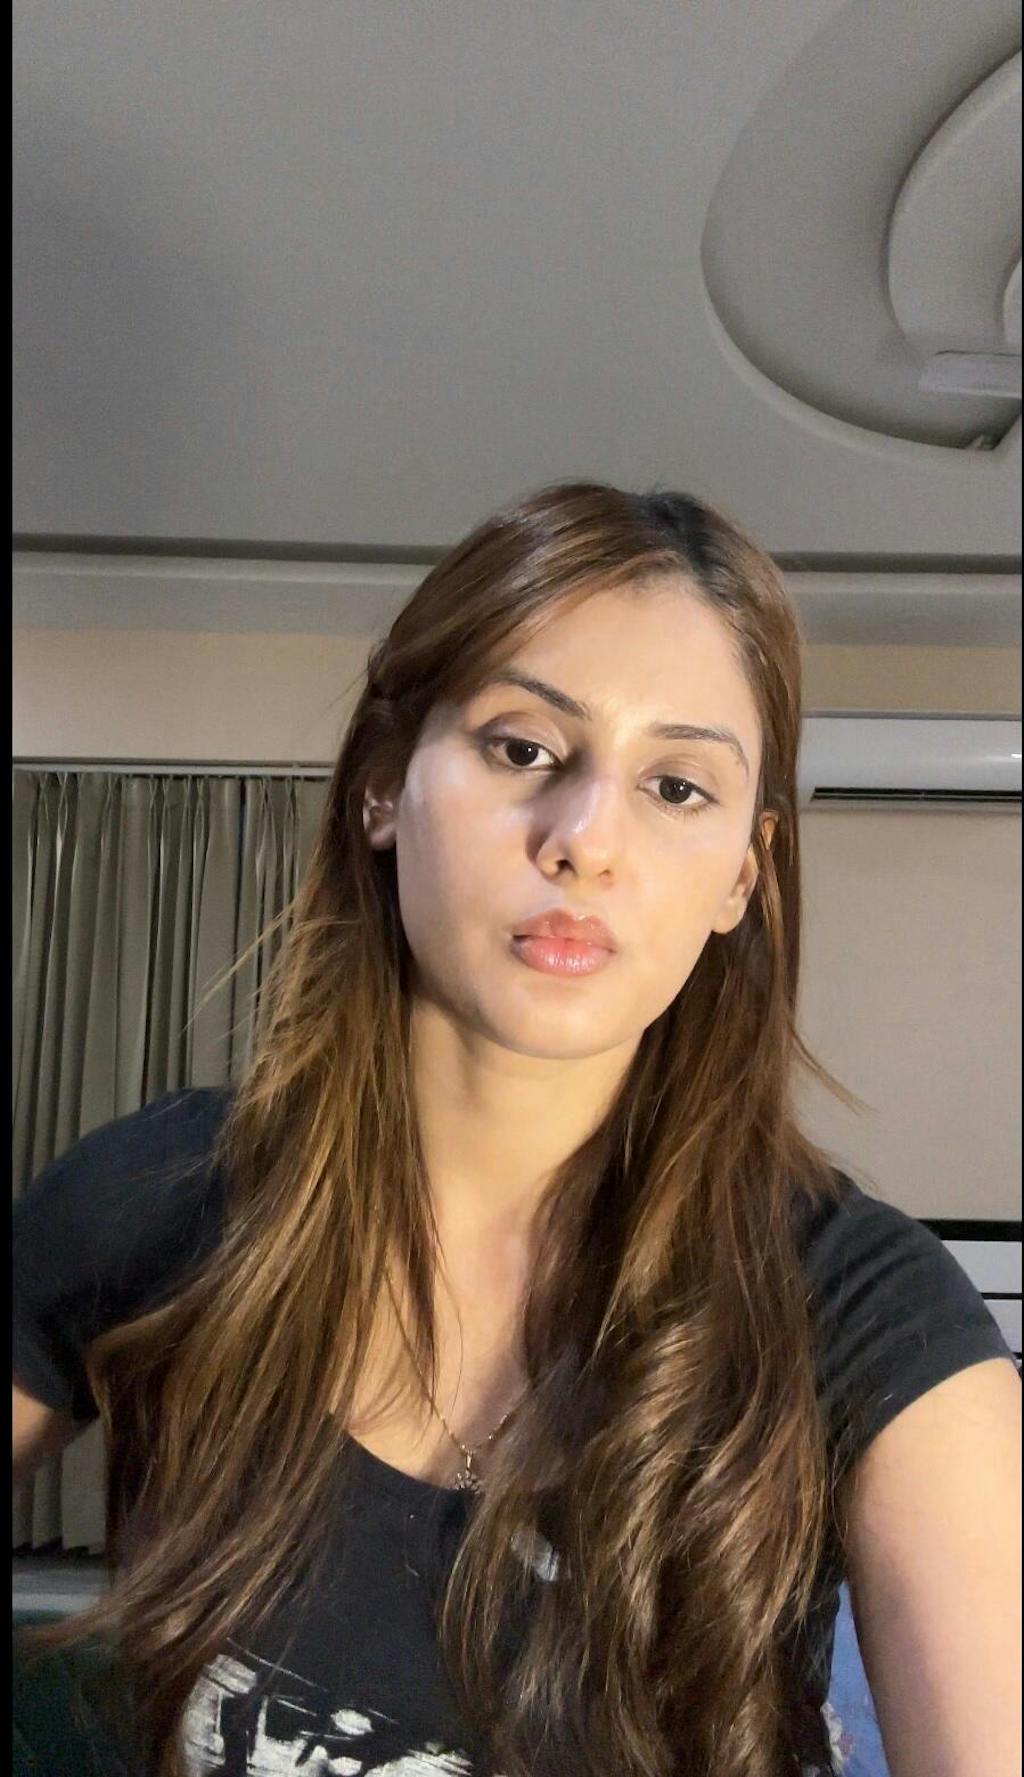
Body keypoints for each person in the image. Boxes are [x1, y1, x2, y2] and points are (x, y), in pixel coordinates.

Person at [13, 480, 1020, 1777]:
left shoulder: (875, 1321)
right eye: (524, 750)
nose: (586, 840)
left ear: (742, 876)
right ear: (383, 788)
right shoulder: (157, 1195)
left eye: (676, 786)